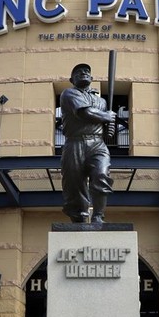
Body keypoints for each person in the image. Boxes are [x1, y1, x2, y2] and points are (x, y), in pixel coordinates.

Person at [60, 63, 116, 224]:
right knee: (75, 185)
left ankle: (98, 216)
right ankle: (79, 218)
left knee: (101, 175)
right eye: (78, 72)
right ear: (72, 79)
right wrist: (106, 117)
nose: (83, 72)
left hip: (97, 144)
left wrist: (109, 125)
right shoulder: (68, 94)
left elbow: (104, 126)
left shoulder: (102, 102)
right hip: (75, 143)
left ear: (91, 78)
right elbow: (85, 112)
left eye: (86, 71)